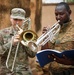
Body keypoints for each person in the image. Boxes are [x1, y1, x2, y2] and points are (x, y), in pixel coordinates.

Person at [36, 2, 74, 75]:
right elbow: (45, 53)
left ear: (69, 12)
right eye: (56, 14)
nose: (58, 17)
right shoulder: (53, 30)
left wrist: (68, 62)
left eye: (61, 14)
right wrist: (45, 37)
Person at [0, 8, 36, 75]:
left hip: (24, 72)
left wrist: (24, 40)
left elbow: (32, 54)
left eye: (20, 20)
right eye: (15, 19)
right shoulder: (2, 33)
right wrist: (11, 44)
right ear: (11, 19)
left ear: (24, 20)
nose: (17, 22)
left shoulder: (29, 34)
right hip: (6, 71)